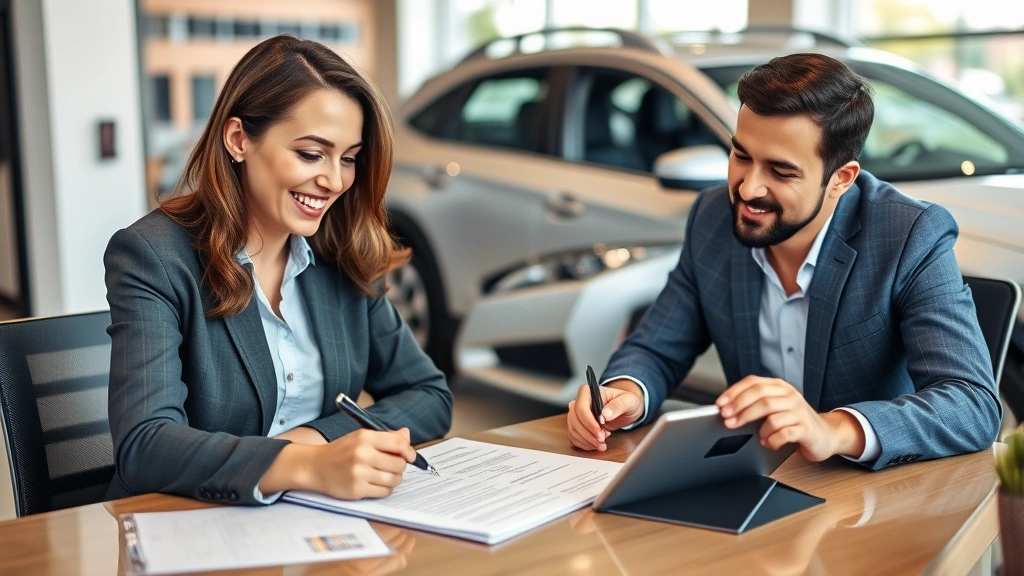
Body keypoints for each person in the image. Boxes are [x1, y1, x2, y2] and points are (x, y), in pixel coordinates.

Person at [567, 53, 1001, 469]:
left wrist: (832, 428)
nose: (749, 188)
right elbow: (656, 349)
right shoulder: (712, 217)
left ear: (840, 180)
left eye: (781, 171)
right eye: (741, 156)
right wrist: (623, 394)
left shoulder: (909, 234)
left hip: (864, 499)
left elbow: (971, 404)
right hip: (752, 478)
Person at [105, 35, 452, 506]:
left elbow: (429, 395)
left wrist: (316, 439)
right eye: (311, 154)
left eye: (348, 159)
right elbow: (145, 445)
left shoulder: (340, 251)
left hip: (314, 527)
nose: (334, 181)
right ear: (238, 140)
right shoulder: (153, 256)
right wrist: (304, 465)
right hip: (188, 524)